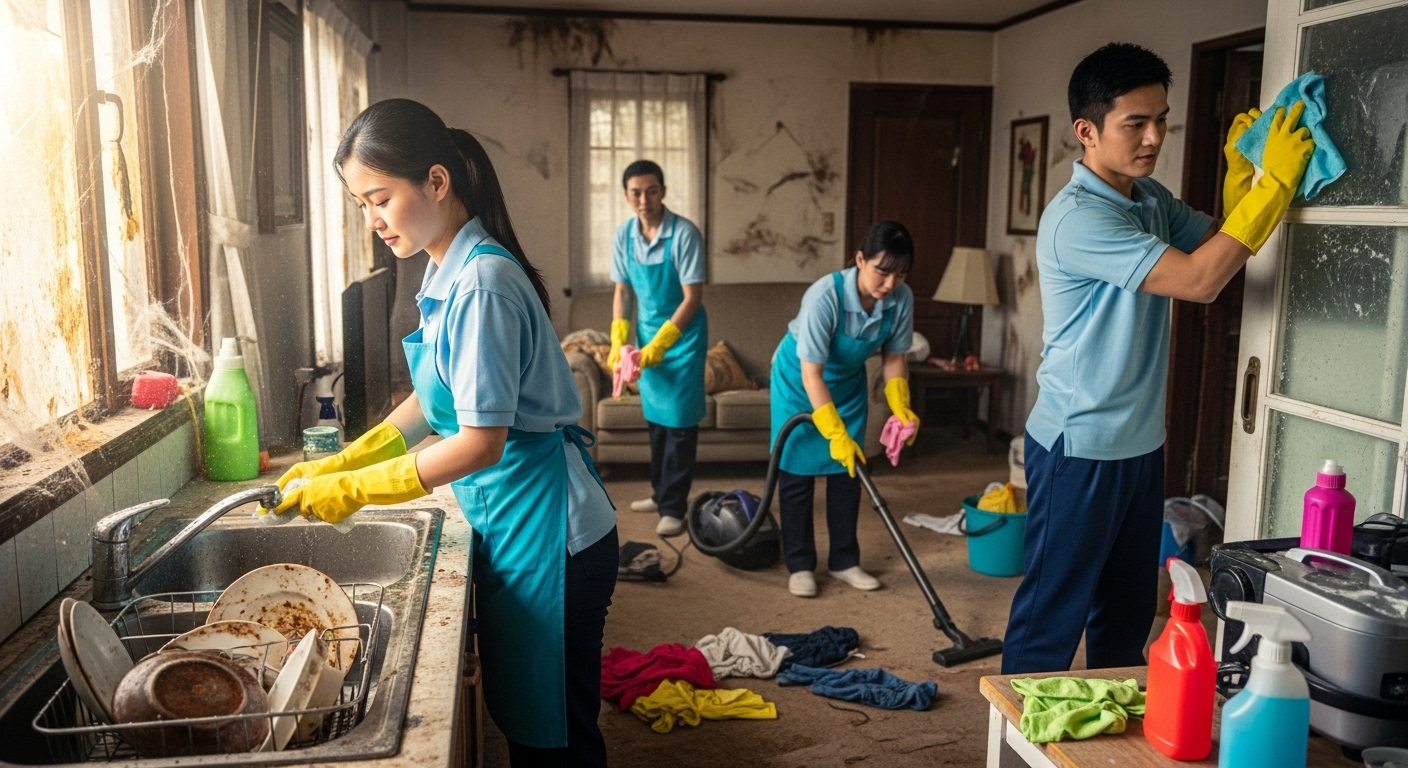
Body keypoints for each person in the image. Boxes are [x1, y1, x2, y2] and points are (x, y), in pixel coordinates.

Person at [274, 99, 620, 767]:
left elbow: (480, 442)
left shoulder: (483, 283)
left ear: (436, 181)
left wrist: (361, 491)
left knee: (558, 740)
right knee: (535, 726)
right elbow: (438, 407)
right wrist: (343, 462)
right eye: (360, 206)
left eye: (380, 198)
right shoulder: (448, 267)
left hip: (552, 537)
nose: (372, 221)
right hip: (518, 522)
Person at [1003, 43, 1313, 674]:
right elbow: (1201, 279)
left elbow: (1224, 245)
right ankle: (1013, 746)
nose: (1154, 137)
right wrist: (1274, 184)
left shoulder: (1147, 199)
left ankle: (1107, 735)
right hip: (1079, 444)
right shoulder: (1079, 219)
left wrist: (1246, 185)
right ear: (1086, 131)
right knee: (1051, 612)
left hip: (1139, 444)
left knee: (1126, 611)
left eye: (1162, 119)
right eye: (1135, 124)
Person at [769, 221, 920, 598]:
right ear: (859, 259)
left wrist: (900, 405)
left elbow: (894, 357)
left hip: (848, 385)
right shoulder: (826, 296)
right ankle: (800, 564)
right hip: (799, 382)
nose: (889, 285)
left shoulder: (901, 299)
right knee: (796, 476)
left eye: (899, 275)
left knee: (848, 474)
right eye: (882, 272)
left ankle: (843, 561)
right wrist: (833, 432)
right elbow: (812, 372)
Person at [606, 160, 707, 538]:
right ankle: (660, 492)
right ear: (626, 195)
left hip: (682, 339)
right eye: (636, 192)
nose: (644, 199)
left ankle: (674, 507)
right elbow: (622, 291)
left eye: (651, 190)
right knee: (657, 421)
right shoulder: (624, 236)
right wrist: (621, 341)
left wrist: (662, 345)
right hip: (647, 339)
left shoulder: (684, 234)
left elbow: (692, 297)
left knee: (680, 424)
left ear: (663, 191)